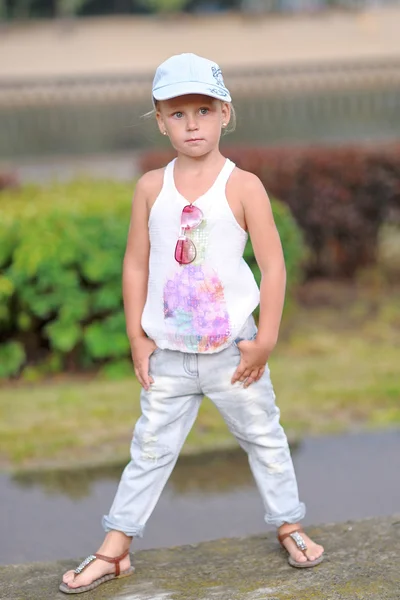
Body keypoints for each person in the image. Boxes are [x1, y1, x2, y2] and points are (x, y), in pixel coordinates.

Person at [60, 52, 324, 595]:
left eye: (203, 109)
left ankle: (289, 524)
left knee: (265, 439)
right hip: (170, 356)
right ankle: (116, 548)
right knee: (149, 450)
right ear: (160, 120)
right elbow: (135, 263)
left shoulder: (243, 185)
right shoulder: (151, 190)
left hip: (235, 354)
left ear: (225, 112)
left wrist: (266, 338)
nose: (192, 123)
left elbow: (272, 265)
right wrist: (137, 335)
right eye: (177, 114)